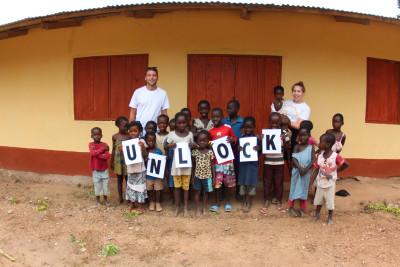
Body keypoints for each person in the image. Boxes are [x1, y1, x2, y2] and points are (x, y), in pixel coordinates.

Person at [311, 133, 349, 224]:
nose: (319, 144)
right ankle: (317, 215)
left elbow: (346, 164)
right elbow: (316, 169)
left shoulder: (335, 156)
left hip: (330, 184)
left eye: (321, 142)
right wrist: (311, 182)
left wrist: (336, 171)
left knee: (330, 202)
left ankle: (330, 217)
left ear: (328, 144)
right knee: (318, 201)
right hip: (320, 184)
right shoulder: (319, 156)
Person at [165, 112, 194, 217]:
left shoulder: (190, 135)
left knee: (186, 187)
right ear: (175, 123)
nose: (181, 125)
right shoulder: (171, 134)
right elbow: (166, 146)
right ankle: (177, 207)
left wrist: (193, 145)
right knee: (177, 187)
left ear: (187, 123)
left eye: (184, 123)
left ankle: (185, 207)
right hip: (176, 167)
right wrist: (170, 145)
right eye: (179, 123)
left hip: (187, 167)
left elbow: (192, 146)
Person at [208, 108, 237, 212]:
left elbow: (234, 139)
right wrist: (210, 145)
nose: (215, 118)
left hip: (228, 162)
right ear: (211, 118)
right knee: (217, 184)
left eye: (218, 116)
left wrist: (232, 140)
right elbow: (209, 145)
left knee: (228, 184)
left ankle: (228, 203)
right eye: (213, 116)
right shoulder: (210, 131)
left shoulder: (227, 128)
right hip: (217, 163)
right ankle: (217, 203)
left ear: (222, 117)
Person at [261, 113, 285, 214]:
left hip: (279, 162)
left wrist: (284, 139)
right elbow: (263, 148)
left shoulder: (283, 133)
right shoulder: (266, 133)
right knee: (267, 182)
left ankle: (278, 199)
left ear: (280, 122)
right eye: (272, 122)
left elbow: (288, 146)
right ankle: (267, 199)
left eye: (276, 122)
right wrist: (261, 139)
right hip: (268, 161)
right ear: (269, 122)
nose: (274, 124)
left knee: (278, 182)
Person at [287, 127, 315, 217]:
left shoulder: (311, 148)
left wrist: (306, 169)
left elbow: (313, 160)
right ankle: (291, 208)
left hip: (306, 173)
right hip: (296, 172)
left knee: (304, 189)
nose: (302, 137)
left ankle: (302, 209)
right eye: (300, 135)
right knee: (294, 189)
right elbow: (294, 158)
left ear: (309, 136)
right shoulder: (297, 146)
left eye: (305, 135)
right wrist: (299, 168)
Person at [238, 116, 260, 213]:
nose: (248, 129)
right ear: (243, 127)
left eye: (250, 127)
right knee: (243, 185)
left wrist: (258, 148)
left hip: (252, 166)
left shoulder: (256, 139)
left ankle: (249, 202)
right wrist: (239, 149)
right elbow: (239, 153)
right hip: (243, 166)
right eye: (246, 127)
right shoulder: (241, 138)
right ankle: (244, 201)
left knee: (251, 185)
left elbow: (259, 153)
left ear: (254, 127)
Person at [124, 121, 148, 213]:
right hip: (130, 169)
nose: (133, 133)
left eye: (135, 131)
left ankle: (141, 205)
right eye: (131, 131)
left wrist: (143, 148)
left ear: (140, 131)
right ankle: (132, 203)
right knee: (130, 186)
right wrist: (122, 150)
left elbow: (145, 155)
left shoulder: (141, 142)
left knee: (140, 187)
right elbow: (126, 157)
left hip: (140, 169)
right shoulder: (127, 142)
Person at [280, 81, 311, 148]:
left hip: (294, 135)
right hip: (281, 130)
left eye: (298, 91)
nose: (296, 93)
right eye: (294, 91)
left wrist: (286, 121)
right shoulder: (286, 102)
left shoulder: (305, 108)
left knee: (290, 155)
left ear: (303, 93)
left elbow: (298, 125)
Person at [191, 130, 215, 216]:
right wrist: (192, 177)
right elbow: (193, 166)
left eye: (204, 140)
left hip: (208, 177)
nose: (202, 142)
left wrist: (214, 178)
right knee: (197, 192)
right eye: (200, 140)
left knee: (206, 192)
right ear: (197, 141)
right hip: (197, 176)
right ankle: (197, 208)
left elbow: (212, 166)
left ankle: (204, 208)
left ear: (208, 141)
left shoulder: (210, 152)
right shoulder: (194, 152)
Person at [89, 127, 110, 206]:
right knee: (97, 185)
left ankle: (106, 200)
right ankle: (97, 200)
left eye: (98, 134)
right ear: (91, 136)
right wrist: (102, 150)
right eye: (94, 134)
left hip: (104, 169)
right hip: (95, 170)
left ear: (101, 135)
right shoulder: (91, 144)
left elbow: (107, 156)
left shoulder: (105, 144)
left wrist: (97, 154)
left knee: (106, 186)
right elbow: (92, 154)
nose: (96, 136)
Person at [110, 116, 130, 204]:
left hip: (127, 162)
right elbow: (113, 149)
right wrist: (112, 161)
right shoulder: (115, 137)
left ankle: (129, 197)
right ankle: (120, 197)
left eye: (127, 126)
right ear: (118, 126)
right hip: (118, 162)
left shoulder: (129, 137)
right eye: (124, 126)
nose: (126, 128)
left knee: (128, 180)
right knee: (119, 180)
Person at [145, 132, 164, 212]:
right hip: (148, 175)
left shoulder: (158, 151)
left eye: (153, 141)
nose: (151, 142)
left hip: (157, 176)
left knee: (157, 190)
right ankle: (152, 202)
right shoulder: (145, 151)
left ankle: (158, 202)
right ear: (146, 141)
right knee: (150, 190)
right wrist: (146, 160)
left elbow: (161, 162)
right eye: (149, 141)